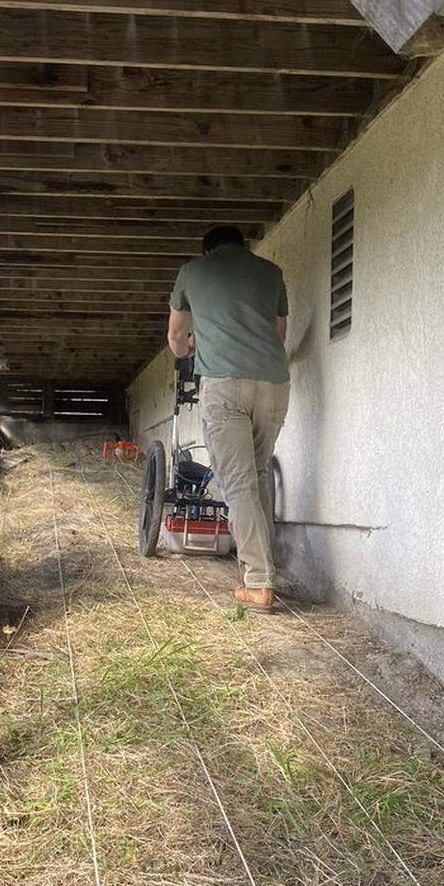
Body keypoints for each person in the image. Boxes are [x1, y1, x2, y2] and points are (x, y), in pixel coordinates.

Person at [167, 225, 290, 613]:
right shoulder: (271, 273)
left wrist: (191, 347)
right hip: (273, 384)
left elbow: (176, 337)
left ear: (207, 252)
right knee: (254, 476)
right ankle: (259, 568)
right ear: (245, 247)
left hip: (224, 385)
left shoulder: (192, 272)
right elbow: (279, 334)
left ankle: (258, 581)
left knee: (237, 483)